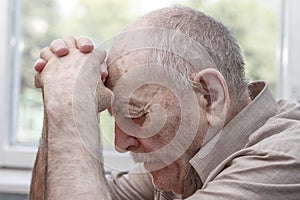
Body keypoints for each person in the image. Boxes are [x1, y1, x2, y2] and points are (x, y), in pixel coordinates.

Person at [32, 6, 300, 200]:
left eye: (136, 115)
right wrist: (57, 91)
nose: (121, 143)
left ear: (210, 97)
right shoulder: (181, 159)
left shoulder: (285, 158)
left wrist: (69, 101)